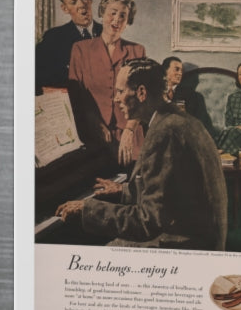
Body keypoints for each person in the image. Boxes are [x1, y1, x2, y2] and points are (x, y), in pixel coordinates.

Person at [55, 58, 228, 250]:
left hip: (184, 243)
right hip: (196, 233)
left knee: (97, 254)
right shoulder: (174, 118)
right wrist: (124, 190)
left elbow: (147, 222)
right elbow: (170, 192)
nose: (116, 99)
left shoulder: (165, 132)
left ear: (142, 93)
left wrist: (87, 209)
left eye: (120, 91)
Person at [67, 0, 146, 165]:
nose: (117, 19)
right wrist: (96, 123)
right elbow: (76, 96)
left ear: (127, 21)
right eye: (113, 13)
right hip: (92, 133)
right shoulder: (80, 50)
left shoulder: (137, 51)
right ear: (102, 13)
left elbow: (142, 97)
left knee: (129, 185)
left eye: (123, 15)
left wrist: (130, 130)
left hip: (129, 135)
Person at [35, 0, 102, 93]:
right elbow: (34, 80)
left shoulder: (108, 33)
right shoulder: (53, 39)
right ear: (65, 8)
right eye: (73, 2)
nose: (81, 5)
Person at [162, 56, 214, 137]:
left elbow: (202, 126)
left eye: (181, 71)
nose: (180, 73)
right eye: (176, 69)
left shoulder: (195, 97)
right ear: (165, 71)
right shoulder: (156, 93)